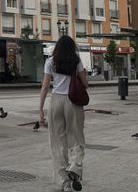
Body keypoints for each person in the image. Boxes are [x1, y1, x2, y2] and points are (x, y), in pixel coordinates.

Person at [39, 35, 87, 192]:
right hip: (73, 101)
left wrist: (40, 109)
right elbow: (85, 83)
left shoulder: (50, 62)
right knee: (77, 138)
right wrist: (83, 75)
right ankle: (74, 167)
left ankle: (64, 183)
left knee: (57, 141)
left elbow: (45, 86)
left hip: (55, 101)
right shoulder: (76, 61)